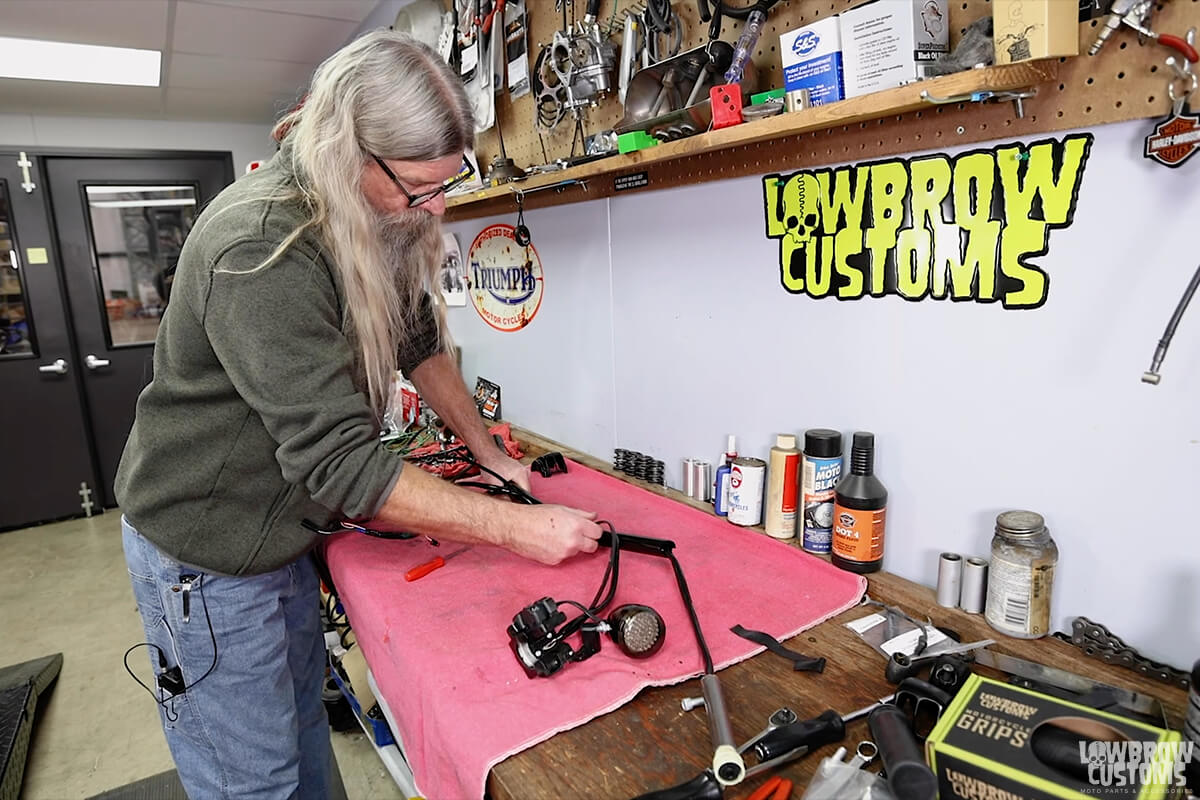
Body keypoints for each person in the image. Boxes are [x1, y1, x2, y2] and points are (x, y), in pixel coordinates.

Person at [114, 30, 602, 800]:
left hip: (283, 533)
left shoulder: (375, 215)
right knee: (254, 781)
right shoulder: (260, 246)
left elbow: (416, 339)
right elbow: (339, 464)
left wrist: (493, 457)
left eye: (447, 183)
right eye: (418, 187)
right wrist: (518, 527)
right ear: (350, 151)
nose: (433, 206)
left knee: (306, 733)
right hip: (203, 551)